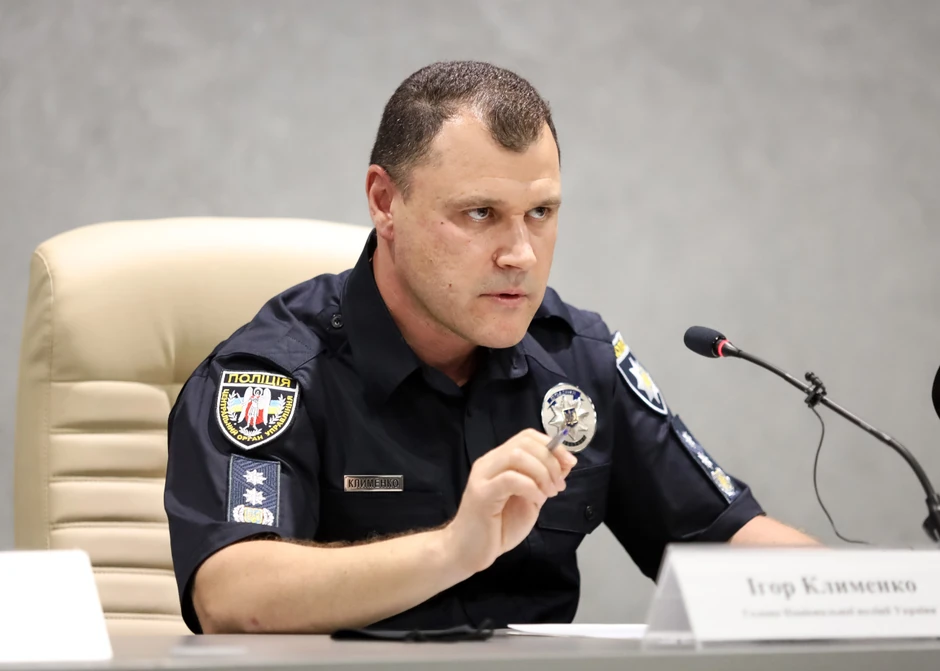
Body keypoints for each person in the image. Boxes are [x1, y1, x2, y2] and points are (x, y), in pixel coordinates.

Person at [164, 60, 816, 635]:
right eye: (480, 214)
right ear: (385, 202)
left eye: (541, 213)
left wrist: (861, 590)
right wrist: (454, 549)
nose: (520, 255)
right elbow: (232, 595)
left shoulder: (578, 359)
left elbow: (725, 538)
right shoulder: (277, 371)